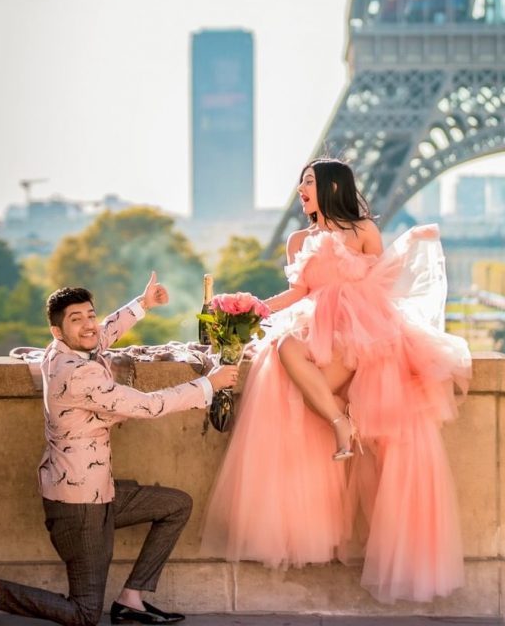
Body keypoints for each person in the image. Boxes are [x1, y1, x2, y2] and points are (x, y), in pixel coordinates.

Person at [201, 159, 472, 604]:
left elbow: (383, 283)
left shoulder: (363, 230)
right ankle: (340, 421)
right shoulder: (298, 240)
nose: (300, 189)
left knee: (317, 368)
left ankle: (338, 416)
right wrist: (248, 310)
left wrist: (396, 266)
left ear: (330, 186)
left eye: (308, 181)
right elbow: (298, 293)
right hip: (314, 328)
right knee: (284, 346)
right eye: (300, 182)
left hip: (360, 329)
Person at [0, 274, 238, 626]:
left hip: (99, 492)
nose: (90, 325)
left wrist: (143, 303)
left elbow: (103, 333)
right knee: (85, 614)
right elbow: (149, 406)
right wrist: (209, 384)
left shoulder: (64, 348)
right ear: (58, 331)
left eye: (91, 314)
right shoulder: (78, 374)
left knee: (176, 505)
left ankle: (131, 600)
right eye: (77, 319)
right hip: (79, 507)